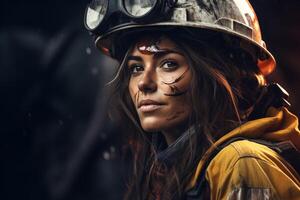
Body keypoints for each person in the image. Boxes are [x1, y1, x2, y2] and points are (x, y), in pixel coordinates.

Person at [84, 0, 300, 199]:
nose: (143, 83)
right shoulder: (179, 175)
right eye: (136, 68)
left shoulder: (242, 163)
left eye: (169, 64)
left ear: (222, 74)